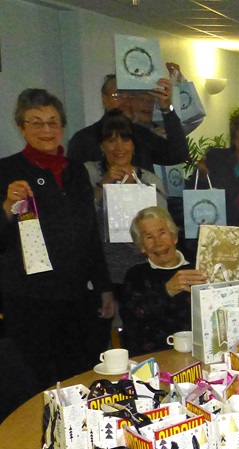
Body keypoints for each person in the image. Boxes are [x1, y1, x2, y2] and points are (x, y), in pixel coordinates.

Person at [0, 89, 112, 389]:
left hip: (76, 297)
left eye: (53, 122)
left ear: (62, 125)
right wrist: (7, 207)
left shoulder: (76, 171)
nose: (46, 130)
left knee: (79, 376)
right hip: (28, 300)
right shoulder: (6, 172)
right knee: (36, 384)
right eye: (36, 123)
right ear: (21, 128)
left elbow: (90, 234)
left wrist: (103, 287)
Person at [85, 110, 168, 284]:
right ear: (101, 145)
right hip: (100, 272)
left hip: (141, 270)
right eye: (111, 140)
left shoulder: (149, 180)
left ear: (133, 144)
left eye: (125, 139)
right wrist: (104, 183)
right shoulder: (89, 173)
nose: (119, 147)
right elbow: (80, 214)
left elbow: (163, 225)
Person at [120, 207, 207, 356]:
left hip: (201, 353)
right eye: (149, 237)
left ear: (174, 237)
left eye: (162, 233)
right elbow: (133, 322)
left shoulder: (199, 268)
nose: (158, 243)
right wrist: (166, 291)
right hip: (155, 357)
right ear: (141, 247)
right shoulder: (135, 276)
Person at [67, 73, 189, 172]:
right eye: (118, 95)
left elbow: (178, 154)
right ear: (104, 98)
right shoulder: (83, 139)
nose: (125, 101)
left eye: (131, 96)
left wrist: (167, 108)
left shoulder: (142, 135)